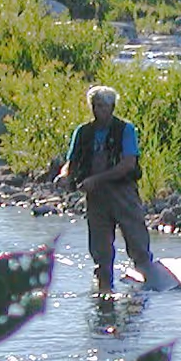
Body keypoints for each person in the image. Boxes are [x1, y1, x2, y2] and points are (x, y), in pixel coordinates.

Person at [59, 84, 154, 290]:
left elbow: (128, 164)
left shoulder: (125, 130)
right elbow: (71, 162)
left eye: (103, 106)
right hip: (95, 196)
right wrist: (65, 175)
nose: (99, 110)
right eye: (96, 105)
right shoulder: (83, 132)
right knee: (100, 250)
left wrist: (97, 179)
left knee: (137, 242)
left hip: (123, 192)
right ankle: (104, 292)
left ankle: (147, 287)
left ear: (112, 107)